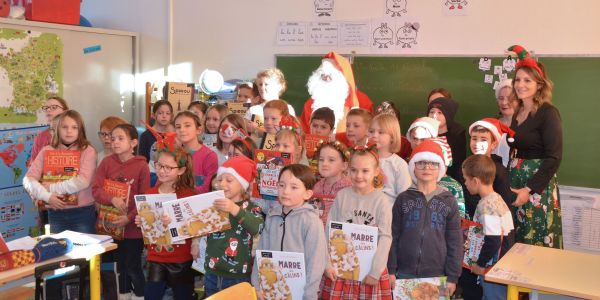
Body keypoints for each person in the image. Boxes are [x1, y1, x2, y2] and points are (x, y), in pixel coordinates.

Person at [387, 140, 462, 297]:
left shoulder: (449, 201)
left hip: (438, 276)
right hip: (404, 274)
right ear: (413, 167)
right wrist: (391, 270)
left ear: (440, 168)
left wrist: (452, 277)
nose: (427, 167)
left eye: (433, 163)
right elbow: (393, 236)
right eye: (421, 163)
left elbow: (455, 242)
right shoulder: (403, 199)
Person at [507, 45, 563, 249]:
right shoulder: (518, 112)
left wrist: (529, 190)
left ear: (539, 85)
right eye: (518, 80)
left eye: (527, 80)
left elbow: (554, 158)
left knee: (536, 239)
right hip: (516, 181)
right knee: (517, 238)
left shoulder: (549, 113)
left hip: (536, 187)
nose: (520, 84)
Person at [321, 144, 393, 300]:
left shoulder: (382, 201)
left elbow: (385, 238)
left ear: (376, 172)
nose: (359, 175)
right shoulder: (342, 196)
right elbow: (329, 231)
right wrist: (327, 263)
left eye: (365, 171)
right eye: (354, 170)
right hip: (341, 269)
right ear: (348, 170)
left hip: (369, 271)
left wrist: (375, 271)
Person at [251, 164, 327, 300]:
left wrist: (310, 294)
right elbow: (261, 252)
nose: (285, 191)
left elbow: (316, 262)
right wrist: (256, 285)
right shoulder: (272, 216)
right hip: (270, 288)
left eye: (294, 187)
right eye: (281, 185)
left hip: (300, 292)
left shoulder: (311, 221)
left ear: (307, 194)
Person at [92, 123, 149, 299]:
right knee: (120, 267)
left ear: (133, 143)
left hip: (133, 229)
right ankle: (123, 296)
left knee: (133, 267)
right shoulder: (106, 162)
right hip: (110, 226)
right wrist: (112, 199)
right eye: (112, 138)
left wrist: (129, 218)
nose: (114, 142)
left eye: (120, 138)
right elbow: (96, 189)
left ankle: (140, 296)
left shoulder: (142, 166)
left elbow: (144, 199)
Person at [134, 147, 196, 300]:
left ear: (181, 170)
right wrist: (141, 221)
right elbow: (148, 229)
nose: (162, 171)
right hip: (157, 256)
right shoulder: (149, 194)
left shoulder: (188, 195)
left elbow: (195, 226)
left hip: (181, 257)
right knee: (151, 294)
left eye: (168, 167)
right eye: (159, 165)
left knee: (183, 295)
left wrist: (174, 221)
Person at [23, 110, 98, 233]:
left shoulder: (87, 151)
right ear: (57, 129)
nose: (69, 131)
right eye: (64, 127)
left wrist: (50, 188)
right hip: (55, 212)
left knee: (85, 251)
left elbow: (83, 181)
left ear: (81, 130)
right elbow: (28, 179)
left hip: (82, 213)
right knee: (58, 250)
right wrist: (46, 196)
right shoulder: (46, 150)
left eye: (74, 127)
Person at [203, 156, 264, 296]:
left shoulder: (252, 207)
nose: (222, 184)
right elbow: (190, 224)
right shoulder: (212, 203)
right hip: (212, 273)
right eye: (219, 179)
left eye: (229, 180)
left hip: (238, 276)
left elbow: (257, 228)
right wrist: (169, 220)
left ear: (243, 185)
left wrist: (234, 209)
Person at [462, 155, 514, 300]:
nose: (465, 183)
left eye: (466, 179)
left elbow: (494, 240)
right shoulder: (497, 198)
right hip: (503, 265)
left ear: (475, 181)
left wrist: (480, 264)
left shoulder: (486, 206)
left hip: (493, 269)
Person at [300, 51, 373, 134]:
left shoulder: (362, 101)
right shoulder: (310, 104)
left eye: (330, 77)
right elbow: (305, 134)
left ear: (342, 78)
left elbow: (369, 132)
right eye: (322, 76)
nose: (326, 79)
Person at [368, 114, 411, 202]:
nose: (374, 135)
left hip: (389, 212)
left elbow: (404, 197)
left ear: (392, 137)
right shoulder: (363, 159)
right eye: (371, 131)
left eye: (381, 132)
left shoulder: (399, 165)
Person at [174, 111, 218, 194]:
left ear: (198, 130)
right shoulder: (172, 154)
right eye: (178, 127)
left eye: (187, 126)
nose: (182, 130)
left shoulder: (209, 156)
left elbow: (208, 188)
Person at [310, 141, 351, 227]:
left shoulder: (349, 188)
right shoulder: (316, 187)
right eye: (321, 159)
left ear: (344, 166)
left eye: (331, 160)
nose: (324, 163)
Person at [244, 68, 296, 134]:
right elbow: (244, 131)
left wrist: (257, 129)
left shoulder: (288, 108)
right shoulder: (253, 110)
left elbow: (288, 133)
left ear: (279, 86)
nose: (262, 88)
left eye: (266, 84)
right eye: (260, 84)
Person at [427, 97, 466, 182]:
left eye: (440, 113)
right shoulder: (424, 135)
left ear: (448, 115)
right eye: (431, 112)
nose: (434, 116)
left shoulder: (456, 138)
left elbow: (458, 166)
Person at [30, 96, 69, 164]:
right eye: (46, 108)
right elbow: (32, 164)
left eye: (54, 107)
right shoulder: (41, 137)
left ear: (65, 111)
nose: (48, 110)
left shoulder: (73, 134)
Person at [493, 79, 518, 167]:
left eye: (510, 98)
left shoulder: (527, 126)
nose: (504, 102)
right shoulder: (492, 125)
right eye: (501, 98)